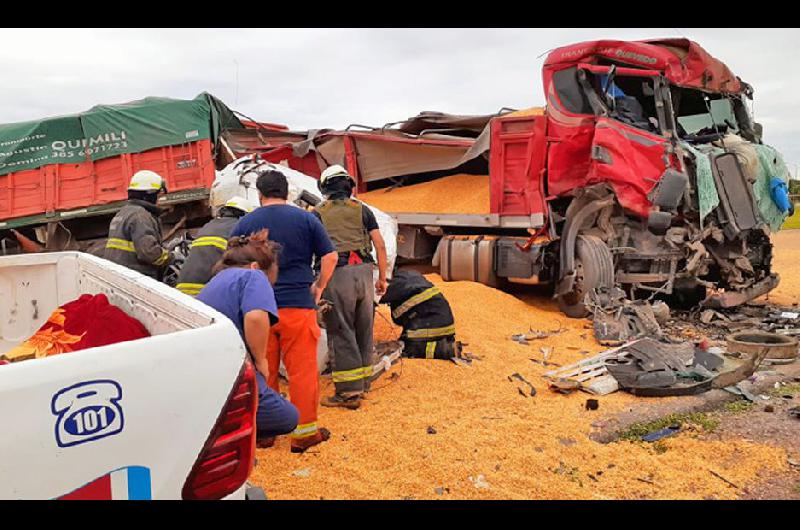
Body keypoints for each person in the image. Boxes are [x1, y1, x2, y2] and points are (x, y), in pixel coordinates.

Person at [231, 169, 338, 453]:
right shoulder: (307, 218)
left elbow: (232, 266)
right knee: (302, 372)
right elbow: (330, 256)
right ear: (287, 192)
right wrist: (319, 287)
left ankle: (266, 432)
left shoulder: (245, 223)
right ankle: (303, 434)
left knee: (264, 373)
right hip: (298, 307)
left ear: (260, 194)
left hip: (258, 311)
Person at [196, 230, 299, 447]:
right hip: (229, 372)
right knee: (287, 417)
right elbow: (255, 317)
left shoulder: (218, 279)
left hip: (206, 370)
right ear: (255, 266)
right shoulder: (253, 276)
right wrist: (262, 360)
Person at [313, 165, 388, 410]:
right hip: (364, 273)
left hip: (337, 273)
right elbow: (379, 244)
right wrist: (382, 278)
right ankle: (364, 383)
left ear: (324, 187)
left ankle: (348, 393)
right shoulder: (362, 209)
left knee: (340, 329)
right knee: (364, 326)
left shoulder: (317, 213)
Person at [175, 196, 257, 296]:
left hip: (182, 284)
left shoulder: (209, 225)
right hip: (207, 288)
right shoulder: (237, 228)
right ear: (244, 215)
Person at [104, 170, 171, 279]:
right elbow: (149, 253)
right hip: (136, 278)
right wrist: (170, 257)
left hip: (119, 276)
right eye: (158, 195)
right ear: (149, 195)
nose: (159, 200)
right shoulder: (140, 216)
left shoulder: (123, 213)